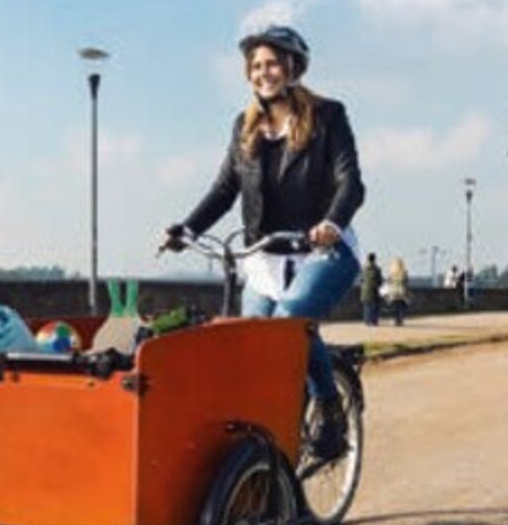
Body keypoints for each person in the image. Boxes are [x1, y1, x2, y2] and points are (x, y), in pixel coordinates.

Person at [164, 24, 363, 461]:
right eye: (255, 65)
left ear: (293, 67)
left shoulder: (328, 116)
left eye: (271, 63)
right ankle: (265, 454)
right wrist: (187, 230)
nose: (263, 72)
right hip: (265, 258)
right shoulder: (245, 127)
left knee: (290, 321)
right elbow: (224, 189)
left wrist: (332, 221)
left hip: (322, 251)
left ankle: (330, 406)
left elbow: (351, 182)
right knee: (251, 351)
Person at [359, 252, 382, 326]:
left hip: (365, 290)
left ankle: (366, 321)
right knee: (375, 306)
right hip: (374, 290)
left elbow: (361, 279)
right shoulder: (377, 269)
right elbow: (380, 280)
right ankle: (374, 321)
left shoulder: (363, 268)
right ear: (374, 259)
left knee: (366, 306)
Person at [386, 258, 410, 326]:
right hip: (401, 290)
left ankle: (396, 320)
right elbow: (406, 282)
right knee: (401, 306)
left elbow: (389, 281)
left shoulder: (391, 272)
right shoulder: (404, 272)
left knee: (395, 306)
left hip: (393, 291)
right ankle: (400, 320)